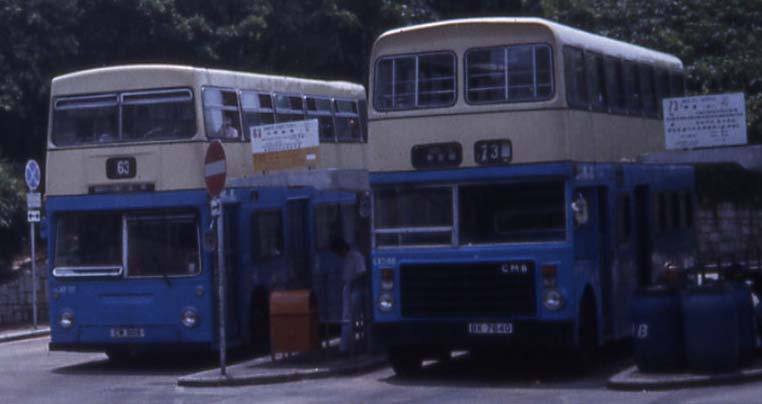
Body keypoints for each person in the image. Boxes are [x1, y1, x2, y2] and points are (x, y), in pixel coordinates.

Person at [330, 237, 367, 355]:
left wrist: (352, 284)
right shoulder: (347, 258)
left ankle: (345, 348)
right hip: (349, 287)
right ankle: (346, 346)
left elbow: (362, 272)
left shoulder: (356, 256)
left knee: (348, 318)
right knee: (348, 318)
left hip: (354, 288)